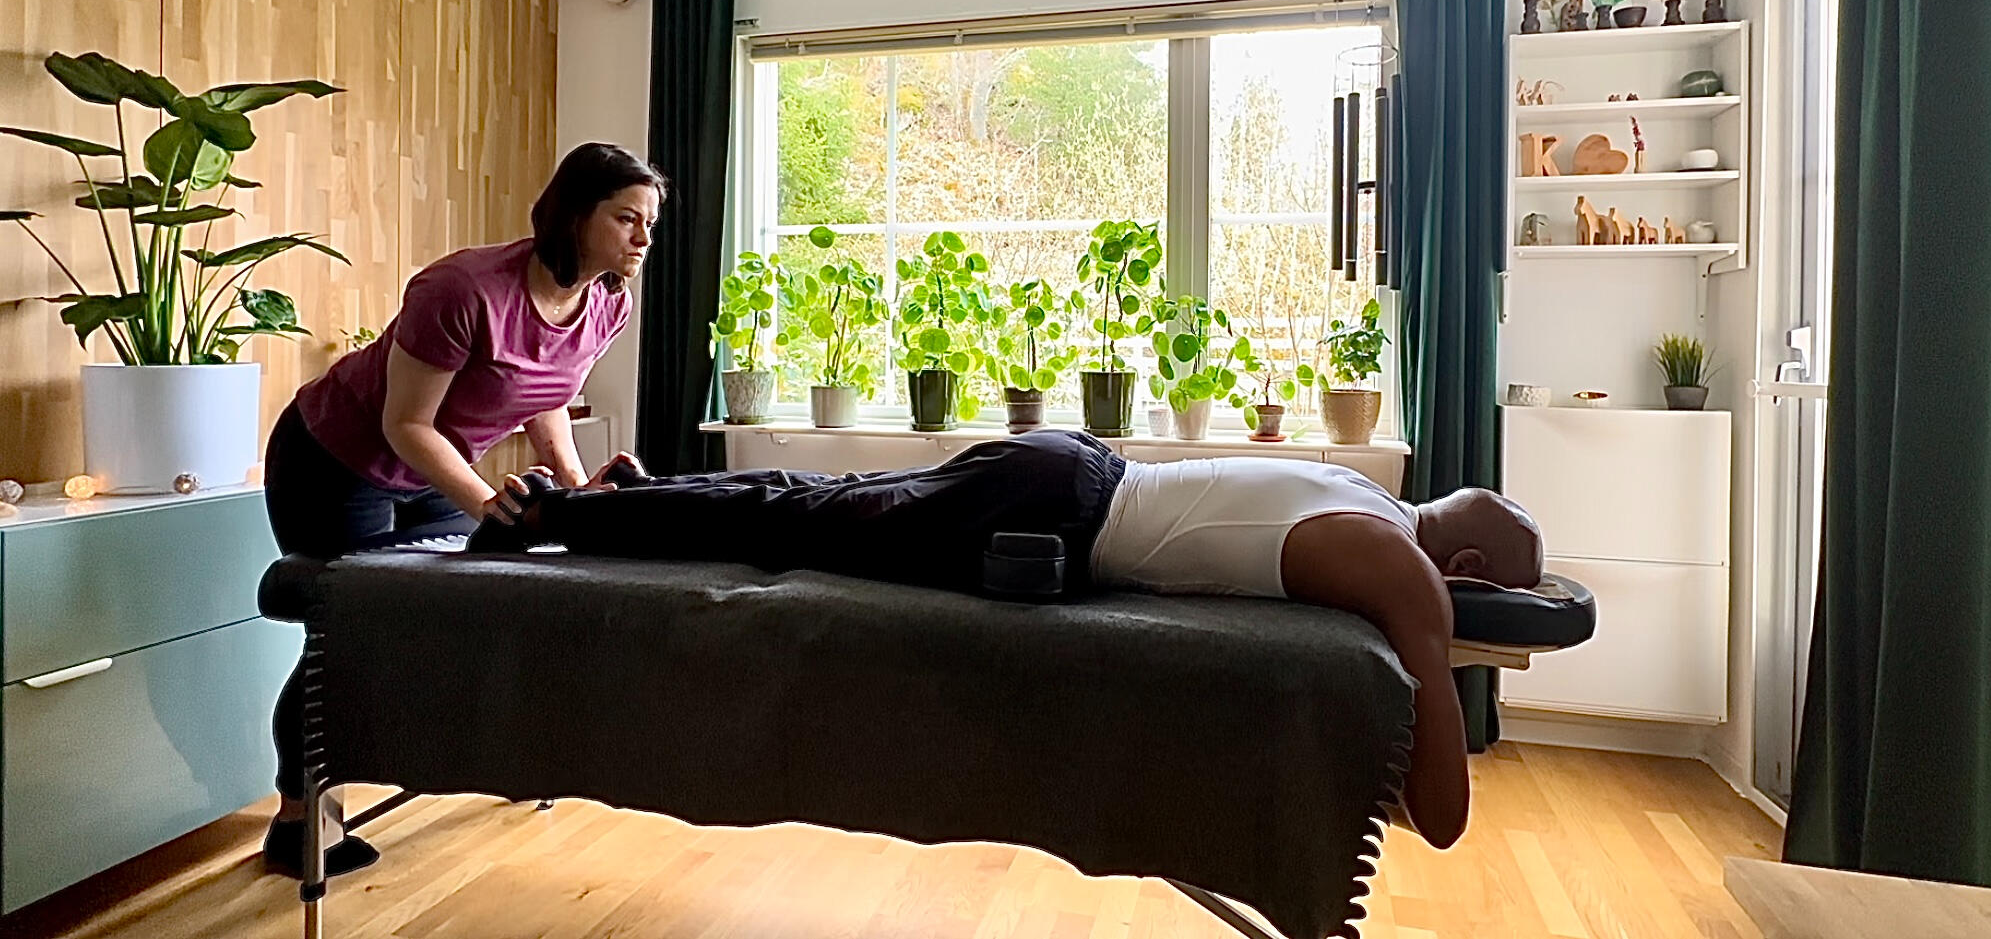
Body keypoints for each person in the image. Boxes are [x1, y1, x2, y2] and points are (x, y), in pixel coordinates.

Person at [468, 430, 1544, 849]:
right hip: (1050, 516)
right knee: (799, 522)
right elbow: (1443, 821)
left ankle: (631, 495)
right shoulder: (1401, 569)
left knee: (815, 503)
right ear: (1464, 569)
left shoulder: (1354, 489)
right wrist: (1440, 634)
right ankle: (551, 515)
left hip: (1066, 474)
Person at [258, 142, 665, 876]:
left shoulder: (608, 302)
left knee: (452, 610)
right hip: (335, 460)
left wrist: (574, 495)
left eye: (650, 223)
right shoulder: (462, 290)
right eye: (626, 218)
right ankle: (297, 822)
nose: (643, 237)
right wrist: (486, 503)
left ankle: (462, 757)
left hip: (426, 471)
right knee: (344, 633)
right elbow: (405, 423)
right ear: (575, 215)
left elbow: (546, 399)